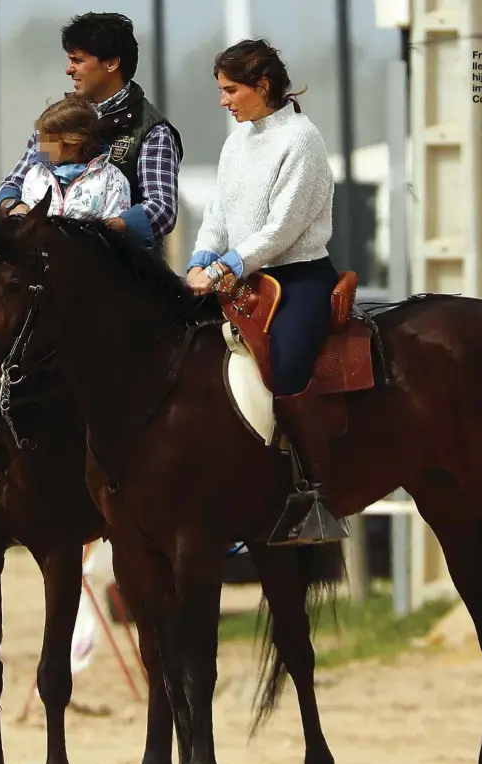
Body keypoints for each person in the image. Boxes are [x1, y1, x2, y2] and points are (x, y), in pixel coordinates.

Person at [186, 39, 347, 546]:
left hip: (298, 278)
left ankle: (318, 497)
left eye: (231, 90)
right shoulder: (237, 141)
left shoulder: (302, 139)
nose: (224, 100)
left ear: (263, 86)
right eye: (220, 90)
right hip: (242, 281)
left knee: (287, 367)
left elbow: (282, 228)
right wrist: (198, 259)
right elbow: (217, 212)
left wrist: (225, 266)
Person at [0, 12, 183, 249]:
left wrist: (94, 234)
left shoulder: (152, 130)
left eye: (77, 60)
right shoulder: (57, 122)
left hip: (121, 275)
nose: (68, 69)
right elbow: (11, 186)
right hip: (44, 271)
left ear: (112, 63)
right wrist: (16, 208)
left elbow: (161, 209)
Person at [11, 96, 131, 222]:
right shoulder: (35, 174)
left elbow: (113, 235)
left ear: (74, 142)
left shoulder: (112, 180)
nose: (39, 147)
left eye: (48, 140)